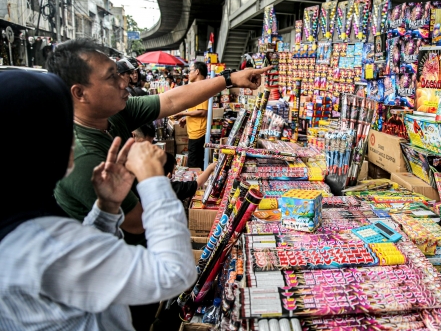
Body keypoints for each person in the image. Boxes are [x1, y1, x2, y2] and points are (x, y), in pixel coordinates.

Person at [0, 71, 196, 330]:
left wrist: (106, 208)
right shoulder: (46, 244)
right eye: (63, 125)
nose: (72, 136)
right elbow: (175, 273)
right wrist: (152, 178)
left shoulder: (18, 219)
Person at [47, 38, 269, 235]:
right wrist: (153, 174)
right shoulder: (81, 157)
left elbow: (170, 101)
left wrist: (229, 79)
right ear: (79, 93)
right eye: (111, 77)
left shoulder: (113, 113)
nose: (124, 82)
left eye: (119, 74)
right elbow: (138, 222)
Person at [174, 61, 211, 169]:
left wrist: (183, 113)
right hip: (194, 132)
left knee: (194, 166)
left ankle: (196, 185)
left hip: (198, 133)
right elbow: (197, 109)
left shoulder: (202, 88)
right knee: (194, 163)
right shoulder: (197, 87)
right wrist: (186, 118)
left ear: (197, 72)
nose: (188, 74)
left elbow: (203, 111)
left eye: (190, 71)